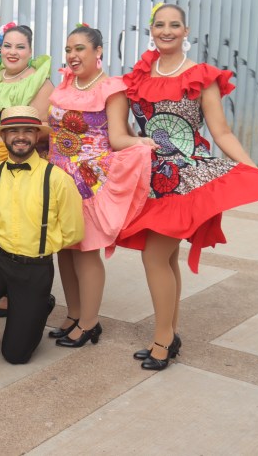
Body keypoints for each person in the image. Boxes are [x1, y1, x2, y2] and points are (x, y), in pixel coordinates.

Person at [117, 4, 258, 370]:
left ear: (185, 30)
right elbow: (130, 130)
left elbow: (221, 131)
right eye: (160, 25)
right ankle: (170, 333)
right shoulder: (138, 75)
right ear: (151, 30)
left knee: (154, 257)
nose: (166, 31)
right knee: (166, 258)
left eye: (174, 25)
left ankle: (163, 339)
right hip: (148, 178)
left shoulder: (201, 76)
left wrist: (253, 169)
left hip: (186, 180)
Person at [47, 26, 155, 348]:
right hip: (58, 176)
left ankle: (89, 322)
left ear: (98, 52)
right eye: (69, 49)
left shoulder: (112, 88)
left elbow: (118, 137)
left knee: (85, 251)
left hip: (88, 181)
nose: (72, 55)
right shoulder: (65, 84)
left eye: (80, 48)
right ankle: (73, 315)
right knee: (64, 250)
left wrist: (142, 144)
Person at [0, 106, 84, 364]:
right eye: (13, 131)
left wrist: (42, 244)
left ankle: (40, 304)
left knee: (16, 356)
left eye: (27, 131)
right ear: (3, 136)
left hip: (35, 269)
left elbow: (74, 231)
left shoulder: (57, 179)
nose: (20, 137)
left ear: (36, 136)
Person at [0, 22, 54, 317]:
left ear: (30, 51)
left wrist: (5, 142)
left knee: (23, 226)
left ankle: (25, 294)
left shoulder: (41, 82)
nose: (13, 52)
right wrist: (0, 144)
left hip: (26, 161)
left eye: (20, 46)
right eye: (7, 46)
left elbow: (38, 131)